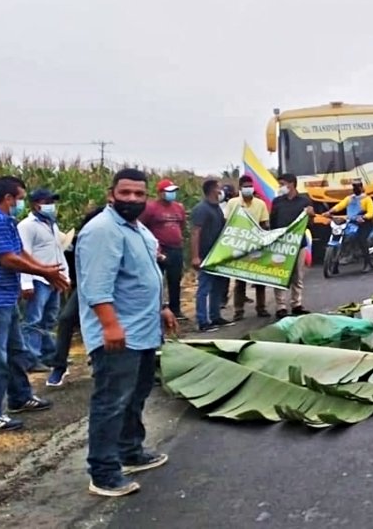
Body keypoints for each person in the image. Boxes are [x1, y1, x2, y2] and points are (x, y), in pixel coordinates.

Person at [76, 168, 177, 497]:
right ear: (111, 194)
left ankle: (130, 451)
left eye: (138, 194)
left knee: (136, 394)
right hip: (119, 333)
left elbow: (145, 273)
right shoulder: (103, 230)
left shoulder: (137, 230)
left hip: (143, 328)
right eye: (126, 193)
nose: (132, 199)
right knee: (111, 400)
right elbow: (96, 286)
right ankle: (103, 472)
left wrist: (162, 306)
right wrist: (110, 325)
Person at [0, 176, 68, 431]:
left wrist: (43, 268)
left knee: (16, 350)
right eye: (22, 198)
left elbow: (19, 251)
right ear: (8, 198)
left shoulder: (5, 221)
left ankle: (20, 397)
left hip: (4, 297)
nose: (23, 203)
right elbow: (8, 259)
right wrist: (44, 273)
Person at [48, 203, 106, 388]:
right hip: (84, 287)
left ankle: (101, 362)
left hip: (111, 288)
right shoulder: (81, 241)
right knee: (66, 319)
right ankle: (59, 366)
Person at [17, 188, 71, 371]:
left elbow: (58, 252)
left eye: (52, 202)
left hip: (53, 278)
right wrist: (26, 283)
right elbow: (23, 256)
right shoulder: (27, 226)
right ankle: (31, 359)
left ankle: (49, 354)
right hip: (38, 279)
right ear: (34, 204)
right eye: (46, 202)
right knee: (33, 320)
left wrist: (66, 276)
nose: (51, 206)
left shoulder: (51, 224)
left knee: (49, 318)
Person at [138, 179, 188, 321]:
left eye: (173, 191)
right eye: (169, 191)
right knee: (157, 281)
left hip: (176, 249)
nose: (172, 194)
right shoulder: (151, 208)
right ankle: (156, 310)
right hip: (159, 249)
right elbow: (142, 227)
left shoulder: (179, 208)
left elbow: (182, 226)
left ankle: (175, 310)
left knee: (175, 280)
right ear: (160, 193)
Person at [224, 176, 270, 320]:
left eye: (250, 186)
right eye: (246, 186)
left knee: (260, 279)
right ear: (240, 188)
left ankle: (261, 308)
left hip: (256, 245)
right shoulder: (233, 203)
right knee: (240, 280)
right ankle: (238, 310)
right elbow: (227, 224)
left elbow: (265, 223)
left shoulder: (260, 204)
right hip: (239, 245)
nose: (248, 188)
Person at [190, 179, 233, 332]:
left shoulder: (217, 208)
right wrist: (195, 256)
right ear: (213, 190)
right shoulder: (201, 209)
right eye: (219, 188)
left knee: (217, 287)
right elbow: (195, 233)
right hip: (206, 255)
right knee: (204, 288)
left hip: (218, 255)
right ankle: (202, 321)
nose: (222, 191)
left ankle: (215, 316)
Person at [269, 174, 314, 318]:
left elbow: (310, 224)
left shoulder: (304, 201)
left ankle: (296, 304)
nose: (280, 187)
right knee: (279, 274)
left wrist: (311, 215)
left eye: (282, 183)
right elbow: (273, 222)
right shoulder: (277, 202)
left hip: (298, 243)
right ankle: (280, 306)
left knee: (297, 275)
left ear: (292, 184)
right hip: (280, 244)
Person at [323, 179, 373, 273]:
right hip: (351, 222)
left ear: (361, 187)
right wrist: (329, 212)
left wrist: (363, 217)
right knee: (341, 235)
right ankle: (336, 265)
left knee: (361, 240)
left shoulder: (367, 199)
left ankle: (367, 264)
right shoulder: (350, 198)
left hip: (363, 223)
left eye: (358, 186)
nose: (356, 188)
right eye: (354, 186)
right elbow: (340, 206)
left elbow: (371, 213)